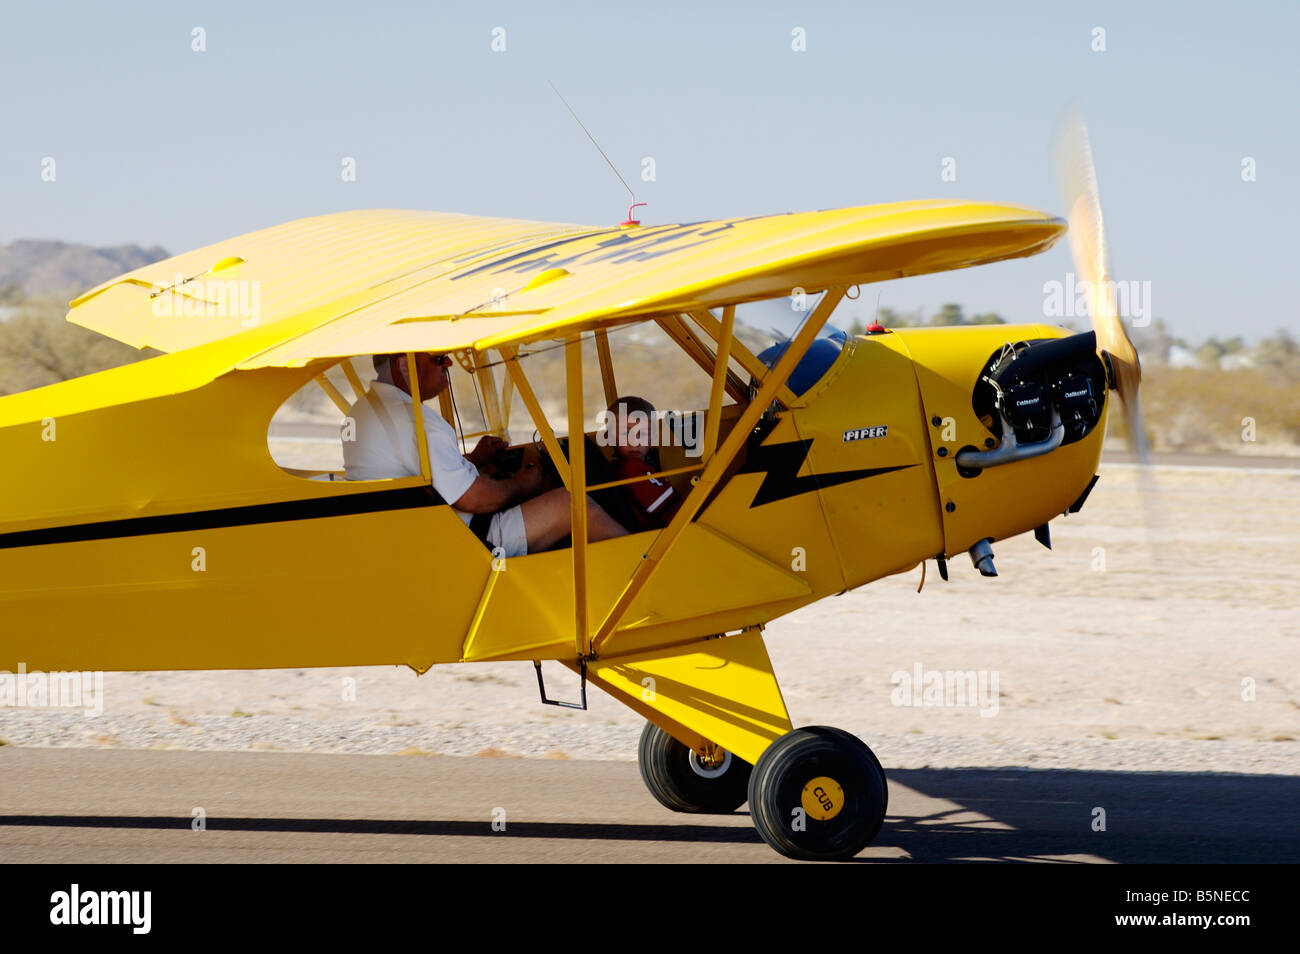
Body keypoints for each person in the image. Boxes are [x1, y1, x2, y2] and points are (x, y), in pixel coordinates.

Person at [343, 352, 627, 556]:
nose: (449, 363)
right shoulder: (417, 420)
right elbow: (471, 498)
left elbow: (416, 474)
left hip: (406, 539)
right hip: (465, 542)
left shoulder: (361, 411)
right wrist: (522, 484)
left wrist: (474, 461)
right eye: (438, 358)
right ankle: (642, 574)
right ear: (404, 366)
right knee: (571, 503)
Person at [602, 395, 682, 531]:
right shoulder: (632, 468)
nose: (635, 441)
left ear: (653, 437)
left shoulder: (623, 467)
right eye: (626, 433)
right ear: (608, 437)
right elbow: (675, 514)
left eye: (643, 434)